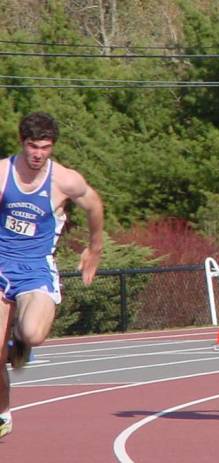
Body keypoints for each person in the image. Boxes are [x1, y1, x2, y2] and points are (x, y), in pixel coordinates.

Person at [0, 112, 104, 438]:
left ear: (52, 147)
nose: (38, 154)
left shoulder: (64, 180)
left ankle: (21, 340)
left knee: (33, 334)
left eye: (45, 147)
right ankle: (3, 414)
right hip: (2, 267)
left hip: (36, 270)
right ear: (22, 142)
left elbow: (94, 205)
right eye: (33, 146)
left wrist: (94, 248)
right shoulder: (3, 174)